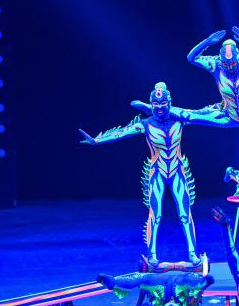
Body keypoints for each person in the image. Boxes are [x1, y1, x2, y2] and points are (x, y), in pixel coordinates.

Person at [80, 82, 203, 264]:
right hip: (157, 171)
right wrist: (97, 140)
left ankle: (193, 253)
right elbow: (122, 133)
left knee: (185, 213)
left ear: (169, 103)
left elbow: (202, 115)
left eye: (163, 104)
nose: (159, 108)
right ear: (151, 105)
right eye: (155, 104)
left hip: (177, 170)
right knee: (155, 214)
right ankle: (152, 255)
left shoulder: (180, 119)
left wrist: (225, 113)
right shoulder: (145, 124)